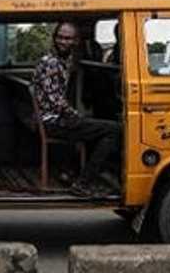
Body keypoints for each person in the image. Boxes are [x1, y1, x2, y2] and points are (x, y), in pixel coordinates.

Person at [33, 21, 121, 196]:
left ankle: (70, 171)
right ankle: (84, 183)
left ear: (75, 41)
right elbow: (56, 100)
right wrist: (77, 116)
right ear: (54, 38)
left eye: (69, 38)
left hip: (53, 118)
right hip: (53, 122)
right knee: (116, 130)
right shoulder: (51, 63)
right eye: (61, 37)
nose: (64, 42)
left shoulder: (61, 60)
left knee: (94, 128)